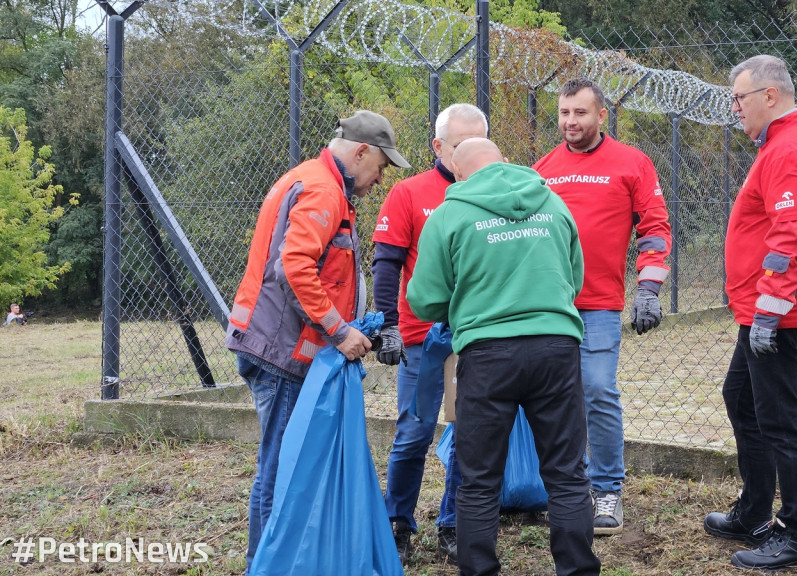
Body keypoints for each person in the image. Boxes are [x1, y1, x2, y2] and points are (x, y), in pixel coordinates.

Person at [224, 110, 410, 575]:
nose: (379, 179)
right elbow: (295, 267)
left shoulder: (310, 178)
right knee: (282, 468)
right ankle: (266, 564)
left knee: (283, 461)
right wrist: (340, 329)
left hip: (272, 342)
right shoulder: (324, 190)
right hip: (281, 350)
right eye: (381, 167)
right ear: (362, 151)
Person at [407, 138, 601, 576]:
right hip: (556, 347)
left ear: (459, 173)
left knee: (478, 480)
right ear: (503, 163)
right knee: (567, 474)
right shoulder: (552, 203)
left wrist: (468, 303)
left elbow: (423, 301)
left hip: (487, 354)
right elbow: (575, 278)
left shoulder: (451, 214)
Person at [701, 55, 797, 571]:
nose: (734, 108)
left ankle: (795, 536)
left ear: (770, 96)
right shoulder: (784, 144)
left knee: (782, 423)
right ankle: (755, 511)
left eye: (739, 98)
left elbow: (791, 236)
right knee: (741, 398)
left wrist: (769, 311)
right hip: (768, 310)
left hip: (784, 314)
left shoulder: (790, 149)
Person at [532, 78, 672, 535]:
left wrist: (648, 288)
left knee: (596, 390)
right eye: (564, 113)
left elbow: (654, 229)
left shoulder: (632, 163)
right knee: (555, 399)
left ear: (601, 116)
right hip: (547, 307)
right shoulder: (542, 170)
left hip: (598, 306)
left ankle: (607, 488)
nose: (571, 122)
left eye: (580, 113)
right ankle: (570, 489)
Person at [372, 103, 488, 564]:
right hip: (422, 340)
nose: (470, 154)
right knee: (414, 433)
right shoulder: (409, 192)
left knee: (469, 434)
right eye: (461, 145)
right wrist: (388, 326)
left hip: (475, 338)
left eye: (478, 144)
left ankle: (455, 523)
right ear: (438, 147)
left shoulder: (490, 192)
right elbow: (386, 264)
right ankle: (397, 522)